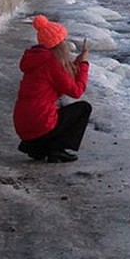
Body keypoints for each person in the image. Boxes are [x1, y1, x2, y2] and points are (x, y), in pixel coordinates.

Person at [13, 15, 92, 163]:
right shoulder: (51, 63)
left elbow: (61, 80)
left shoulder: (39, 59)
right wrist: (84, 65)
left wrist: (78, 62)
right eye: (63, 40)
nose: (66, 43)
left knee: (58, 107)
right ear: (58, 44)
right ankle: (57, 149)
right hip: (39, 122)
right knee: (83, 109)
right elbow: (76, 91)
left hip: (23, 124)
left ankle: (36, 147)